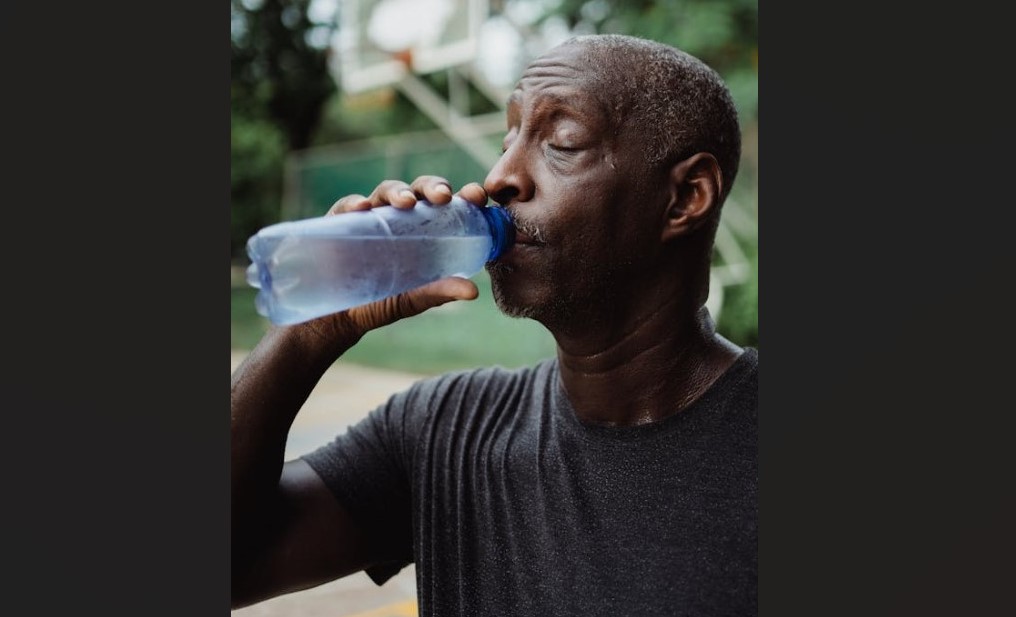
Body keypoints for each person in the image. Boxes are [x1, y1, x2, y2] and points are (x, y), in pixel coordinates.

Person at [231, 33, 757, 616]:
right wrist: (308, 331)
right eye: (510, 136)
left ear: (686, 197)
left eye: (562, 140)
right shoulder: (444, 430)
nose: (500, 176)